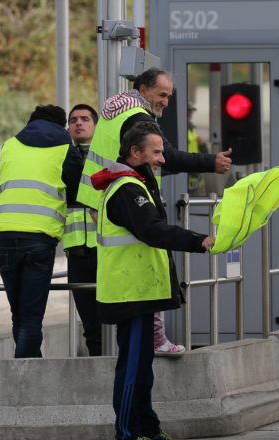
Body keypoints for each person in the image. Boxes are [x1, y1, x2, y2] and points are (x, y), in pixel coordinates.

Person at [75, 67, 233, 354]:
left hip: (102, 197)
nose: (166, 102)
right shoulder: (137, 117)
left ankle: (149, 337)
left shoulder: (117, 110)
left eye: (169, 96)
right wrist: (210, 162)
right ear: (143, 90)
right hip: (122, 193)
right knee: (149, 263)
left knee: (136, 267)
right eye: (162, 94)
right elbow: (168, 155)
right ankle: (156, 338)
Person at [91, 121, 214, 440]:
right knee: (132, 367)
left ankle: (148, 431)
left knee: (142, 368)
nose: (162, 158)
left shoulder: (136, 185)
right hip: (129, 293)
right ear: (135, 153)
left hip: (139, 291)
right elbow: (153, 231)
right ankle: (127, 435)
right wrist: (198, 240)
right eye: (156, 152)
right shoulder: (128, 189)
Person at [0, 105, 83, 358]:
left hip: (4, 234)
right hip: (39, 237)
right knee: (31, 317)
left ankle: (28, 367)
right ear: (61, 125)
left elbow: (0, 183)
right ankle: (25, 378)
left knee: (18, 314)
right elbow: (77, 190)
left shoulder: (10, 144)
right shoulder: (65, 148)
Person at [64, 104, 102, 356]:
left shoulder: (106, 155)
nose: (79, 123)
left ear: (96, 126)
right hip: (76, 250)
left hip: (104, 248)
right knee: (89, 322)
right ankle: (97, 364)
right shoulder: (62, 156)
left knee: (111, 316)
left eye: (85, 119)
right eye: (73, 119)